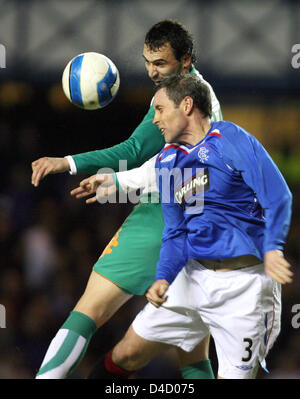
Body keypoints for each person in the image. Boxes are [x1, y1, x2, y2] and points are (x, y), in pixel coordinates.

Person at [32, 20, 222, 379]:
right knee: (192, 352)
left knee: (88, 311)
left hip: (163, 217)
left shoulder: (183, 99)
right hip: (206, 229)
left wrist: (67, 162)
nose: (152, 72)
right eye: (147, 62)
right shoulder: (199, 92)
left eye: (160, 64)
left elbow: (135, 151)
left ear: (185, 61)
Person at [80, 74, 293, 379]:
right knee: (126, 353)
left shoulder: (230, 138)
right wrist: (164, 277)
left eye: (160, 109)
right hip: (191, 279)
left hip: (245, 290)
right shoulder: (168, 161)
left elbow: (278, 194)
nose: (155, 120)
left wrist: (272, 247)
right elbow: (175, 232)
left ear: (187, 106)